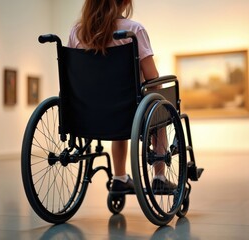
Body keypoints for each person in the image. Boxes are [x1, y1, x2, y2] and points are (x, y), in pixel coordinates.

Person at [68, 0, 175, 193]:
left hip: (87, 115)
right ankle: (159, 177)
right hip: (125, 113)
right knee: (159, 105)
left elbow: (71, 76)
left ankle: (120, 178)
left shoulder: (77, 32)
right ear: (125, 1)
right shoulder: (133, 30)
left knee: (123, 108)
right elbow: (152, 78)